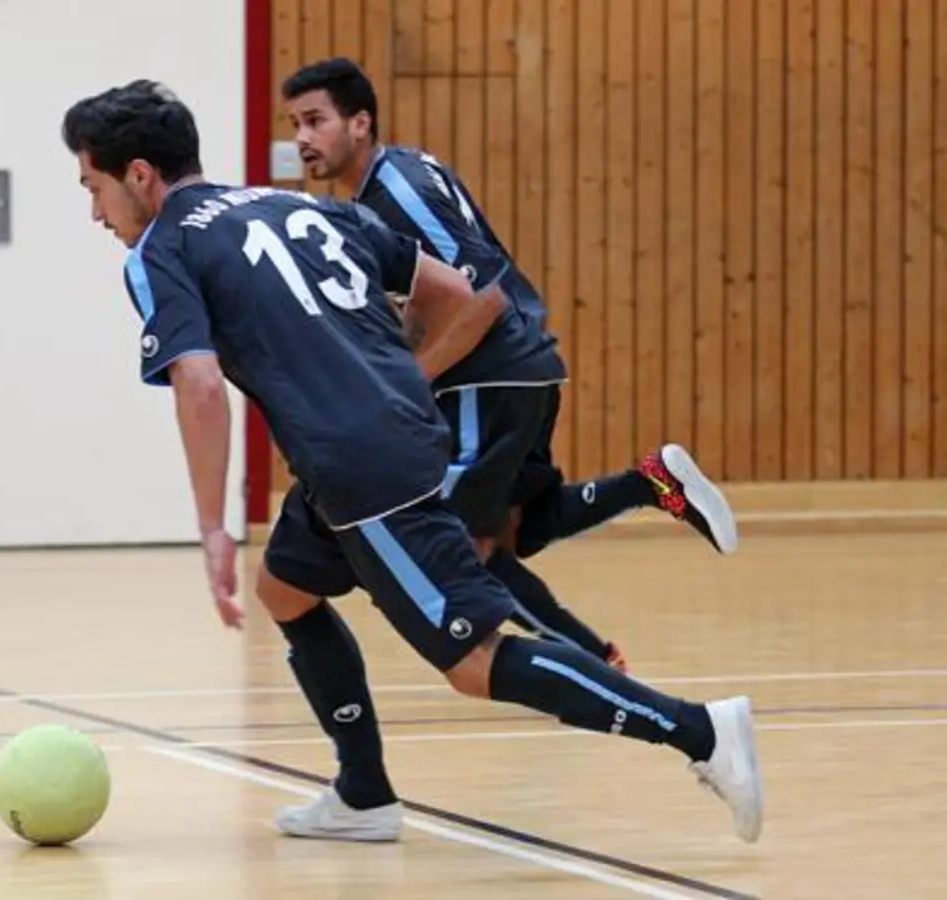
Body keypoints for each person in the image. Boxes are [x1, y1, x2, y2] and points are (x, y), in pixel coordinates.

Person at [59, 78, 764, 847]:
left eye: (94, 187)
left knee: (473, 662)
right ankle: (363, 794)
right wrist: (381, 366)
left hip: (363, 468)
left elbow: (199, 386)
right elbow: (454, 290)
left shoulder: (164, 247)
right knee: (287, 590)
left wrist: (212, 527)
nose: (96, 213)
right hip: (378, 442)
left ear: (138, 175)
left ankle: (701, 732)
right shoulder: (299, 205)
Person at [280, 57, 741, 666]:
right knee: (522, 526)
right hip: (524, 368)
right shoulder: (408, 170)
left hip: (487, 376)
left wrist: (412, 380)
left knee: (465, 544)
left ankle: (591, 663)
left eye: (316, 121)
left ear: (360, 122)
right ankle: (650, 482)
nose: (302, 139)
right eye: (295, 124)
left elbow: (480, 294)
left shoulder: (398, 194)